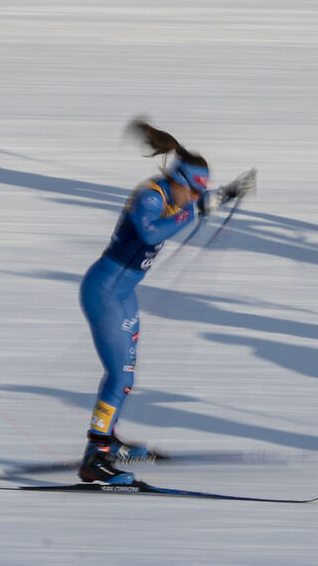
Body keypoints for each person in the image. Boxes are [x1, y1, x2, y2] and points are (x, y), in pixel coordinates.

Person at [77, 119, 234, 486]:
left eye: (199, 194)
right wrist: (195, 210)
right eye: (193, 192)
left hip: (123, 294)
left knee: (125, 377)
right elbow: (149, 232)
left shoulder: (179, 196)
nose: (195, 198)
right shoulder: (150, 195)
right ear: (178, 182)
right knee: (118, 376)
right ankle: (94, 458)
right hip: (103, 294)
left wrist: (226, 194)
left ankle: (107, 439)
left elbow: (192, 207)